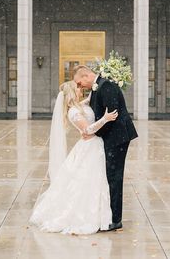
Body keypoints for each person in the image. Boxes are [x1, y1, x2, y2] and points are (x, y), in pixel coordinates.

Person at [29, 80, 118, 235]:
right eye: (77, 87)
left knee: (95, 181)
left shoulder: (80, 106)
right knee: (88, 182)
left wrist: (103, 81)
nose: (80, 89)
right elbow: (88, 130)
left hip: (95, 146)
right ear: (72, 92)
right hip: (89, 147)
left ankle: (99, 215)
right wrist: (105, 118)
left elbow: (91, 96)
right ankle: (86, 216)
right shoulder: (73, 112)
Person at [73, 65, 138, 231]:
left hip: (118, 137)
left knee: (115, 177)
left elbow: (112, 116)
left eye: (80, 83)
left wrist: (95, 133)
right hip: (111, 137)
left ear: (87, 76)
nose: (81, 86)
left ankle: (116, 220)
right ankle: (110, 215)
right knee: (110, 175)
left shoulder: (106, 86)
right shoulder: (97, 87)